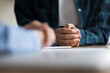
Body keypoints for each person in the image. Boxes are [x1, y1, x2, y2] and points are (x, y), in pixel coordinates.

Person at [15, 0, 110, 47]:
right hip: (43, 57)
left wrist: (80, 36)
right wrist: (52, 35)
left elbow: (103, 30)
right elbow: (24, 25)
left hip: (89, 57)